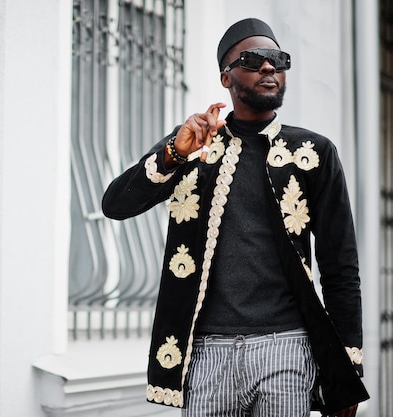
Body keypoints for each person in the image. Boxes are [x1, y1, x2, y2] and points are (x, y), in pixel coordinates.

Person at [102, 18, 369, 417]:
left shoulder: (314, 152)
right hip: (206, 354)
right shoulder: (194, 145)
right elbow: (116, 205)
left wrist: (347, 370)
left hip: (287, 348)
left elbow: (341, 268)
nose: (268, 67)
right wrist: (173, 153)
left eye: (277, 60)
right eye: (254, 58)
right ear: (226, 77)